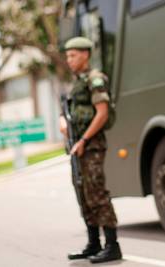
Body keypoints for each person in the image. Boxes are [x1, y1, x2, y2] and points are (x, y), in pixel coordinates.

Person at [60, 36, 122, 264]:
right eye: (67, 56)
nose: (69, 60)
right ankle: (93, 242)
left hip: (91, 145)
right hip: (78, 146)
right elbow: (70, 111)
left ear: (85, 55)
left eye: (73, 55)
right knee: (83, 193)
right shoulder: (77, 82)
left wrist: (84, 140)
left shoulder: (95, 79)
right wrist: (62, 121)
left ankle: (112, 245)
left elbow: (102, 112)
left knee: (96, 193)